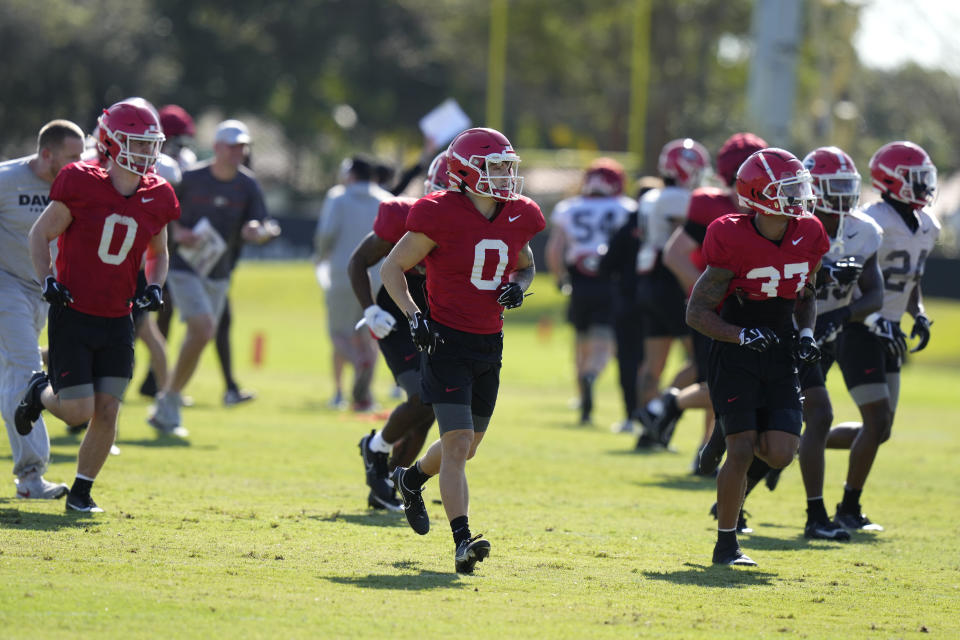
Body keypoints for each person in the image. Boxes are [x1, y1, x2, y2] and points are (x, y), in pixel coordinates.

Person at [382, 127, 544, 573]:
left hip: (490, 342)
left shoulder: (519, 213)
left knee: (467, 447)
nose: (506, 177)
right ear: (465, 172)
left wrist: (518, 286)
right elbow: (393, 266)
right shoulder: (438, 213)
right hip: (446, 340)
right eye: (495, 168)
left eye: (509, 168)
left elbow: (526, 266)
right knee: (455, 447)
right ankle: (462, 541)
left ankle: (409, 479)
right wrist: (414, 315)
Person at [16, 100, 179, 512]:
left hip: (119, 315)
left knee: (107, 410)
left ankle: (82, 492)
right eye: (135, 144)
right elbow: (39, 234)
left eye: (149, 145)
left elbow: (158, 252)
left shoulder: (159, 193)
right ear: (110, 142)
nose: (145, 153)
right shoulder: (79, 180)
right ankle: (39, 391)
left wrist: (156, 285)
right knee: (76, 411)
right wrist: (47, 278)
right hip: (74, 310)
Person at [686, 147, 828, 566]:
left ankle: (721, 434)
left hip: (781, 344)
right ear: (761, 194)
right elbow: (696, 313)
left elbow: (806, 295)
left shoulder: (811, 232)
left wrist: (805, 332)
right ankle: (726, 545)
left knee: (781, 451)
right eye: (789, 188)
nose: (799, 196)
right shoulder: (731, 236)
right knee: (743, 449)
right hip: (736, 350)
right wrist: (739, 334)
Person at [823, 140, 939, 531]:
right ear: (891, 180)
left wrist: (917, 313)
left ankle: (803, 446)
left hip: (890, 331)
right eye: (915, 178)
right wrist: (869, 317)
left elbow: (912, 279)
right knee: (875, 423)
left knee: (882, 428)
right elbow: (853, 274)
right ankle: (848, 508)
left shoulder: (928, 225)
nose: (923, 185)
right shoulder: (872, 219)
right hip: (859, 328)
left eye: (925, 178)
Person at [148, 119, 279, 435]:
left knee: (201, 336)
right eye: (232, 146)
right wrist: (179, 232)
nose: (238, 152)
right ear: (217, 148)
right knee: (204, 328)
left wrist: (258, 232)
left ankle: (168, 402)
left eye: (242, 147)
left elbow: (266, 224)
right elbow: (160, 211)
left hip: (220, 272)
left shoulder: (247, 184)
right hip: (182, 267)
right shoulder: (190, 179)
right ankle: (170, 402)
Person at [657, 133, 767, 468]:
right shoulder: (711, 206)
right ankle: (672, 415)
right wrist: (709, 298)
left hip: (753, 311)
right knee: (717, 386)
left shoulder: (767, 211)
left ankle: (706, 452)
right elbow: (674, 254)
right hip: (716, 314)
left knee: (728, 389)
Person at [349, 152, 450, 511]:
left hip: (440, 316)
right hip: (398, 314)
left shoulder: (478, 226)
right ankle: (375, 448)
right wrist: (370, 309)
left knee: (431, 407)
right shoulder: (402, 215)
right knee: (422, 397)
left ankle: (389, 479)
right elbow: (359, 261)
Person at [792, 146, 883, 541]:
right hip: (790, 329)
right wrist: (825, 276)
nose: (845, 195)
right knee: (811, 417)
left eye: (849, 186)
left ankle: (813, 515)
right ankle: (814, 515)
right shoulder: (794, 224)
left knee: (796, 425)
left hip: (826, 333)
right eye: (836, 187)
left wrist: (839, 316)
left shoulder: (863, 230)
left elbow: (875, 294)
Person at [0, 119, 85, 498]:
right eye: (72, 156)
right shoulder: (6, 179)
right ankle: (31, 476)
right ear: (46, 153)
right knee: (26, 371)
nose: (79, 164)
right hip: (5, 285)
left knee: (12, 373)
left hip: (45, 294)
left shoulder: (79, 186)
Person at [545, 158, 635, 425]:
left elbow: (554, 250)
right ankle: (592, 375)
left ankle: (582, 387)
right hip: (611, 281)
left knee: (581, 338)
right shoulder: (627, 208)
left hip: (579, 280)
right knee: (605, 340)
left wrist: (560, 278)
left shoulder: (569, 208)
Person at [633, 139, 710, 442]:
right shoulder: (678, 198)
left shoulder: (653, 196)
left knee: (653, 365)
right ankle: (662, 411)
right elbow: (692, 237)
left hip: (648, 280)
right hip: (671, 281)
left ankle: (648, 429)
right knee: (703, 359)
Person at [314, 155, 393, 411]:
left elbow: (326, 235)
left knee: (339, 334)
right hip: (379, 276)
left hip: (343, 273)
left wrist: (319, 257)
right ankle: (365, 395)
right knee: (369, 336)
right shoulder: (386, 199)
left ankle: (352, 374)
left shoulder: (338, 197)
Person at [598, 176, 662, 433]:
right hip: (657, 303)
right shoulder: (665, 225)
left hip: (627, 302)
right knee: (654, 362)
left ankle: (631, 415)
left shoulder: (627, 227)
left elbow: (606, 265)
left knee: (627, 359)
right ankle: (654, 415)